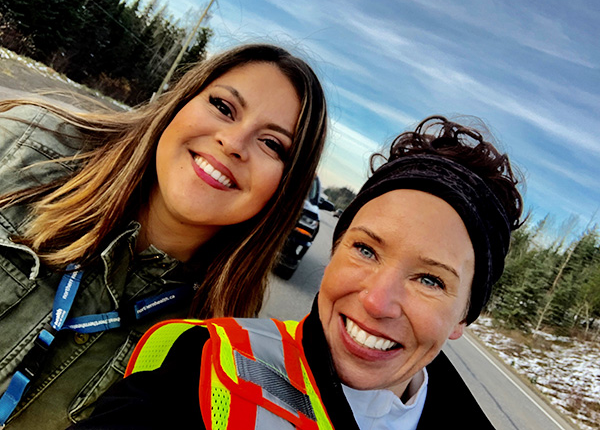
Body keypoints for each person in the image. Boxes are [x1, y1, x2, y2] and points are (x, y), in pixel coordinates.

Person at [69, 115, 523, 429]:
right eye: (366, 250)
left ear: (465, 315)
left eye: (430, 280)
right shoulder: (208, 365)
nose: (376, 302)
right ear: (337, 247)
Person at [0, 43, 328, 429]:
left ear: (286, 189)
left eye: (272, 144)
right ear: (180, 102)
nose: (233, 143)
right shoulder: (25, 150)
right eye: (223, 107)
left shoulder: (213, 347)